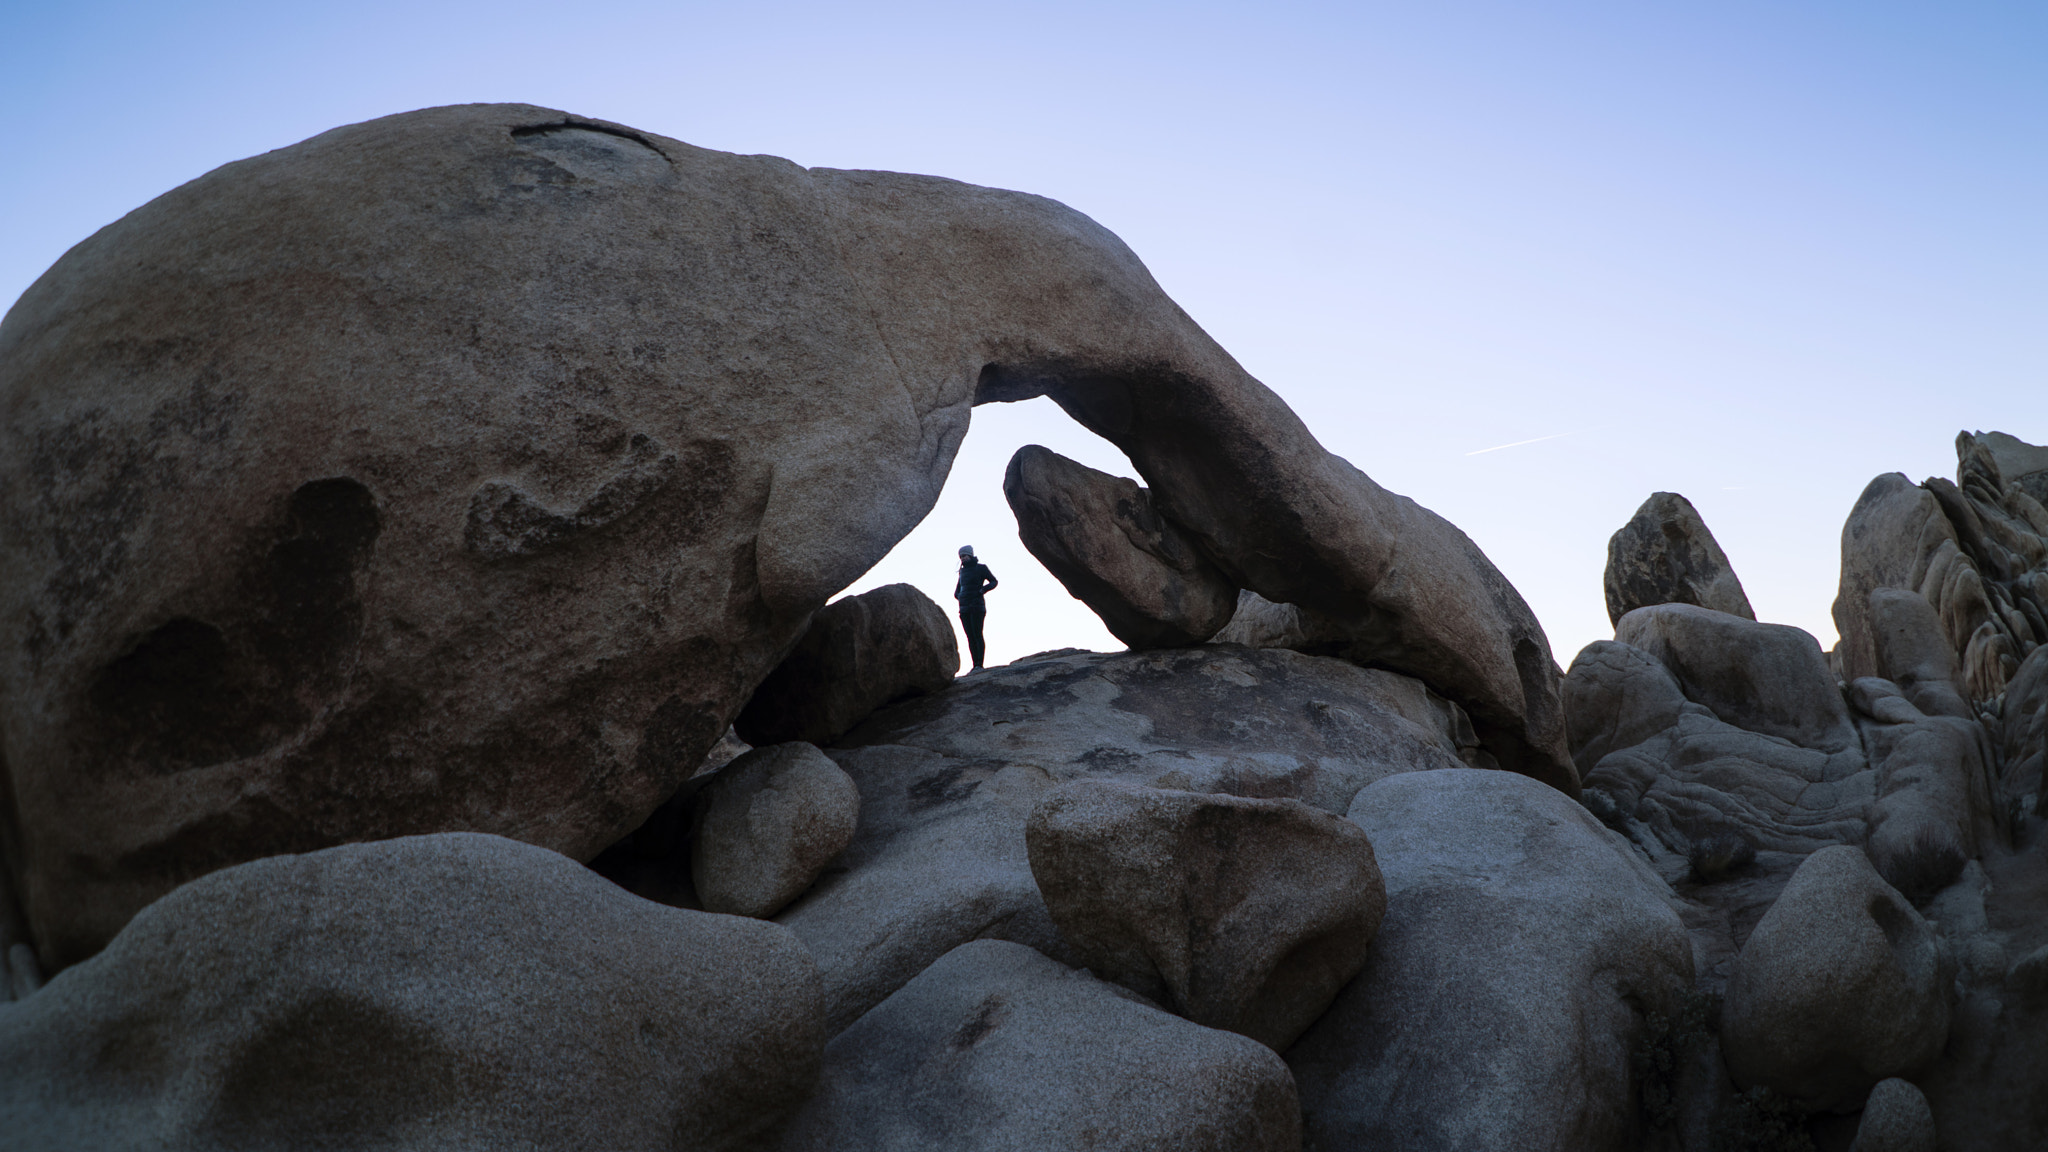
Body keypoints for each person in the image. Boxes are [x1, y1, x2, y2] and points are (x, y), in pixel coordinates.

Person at [954, 545, 999, 671]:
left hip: (977, 606)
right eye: (961, 556)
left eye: (965, 555)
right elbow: (957, 590)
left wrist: (982, 590)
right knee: (970, 637)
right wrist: (960, 596)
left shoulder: (981, 568)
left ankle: (979, 664)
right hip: (964, 608)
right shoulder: (962, 572)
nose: (963, 558)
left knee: (977, 634)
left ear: (971, 555)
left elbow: (994, 581)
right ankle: (975, 665)